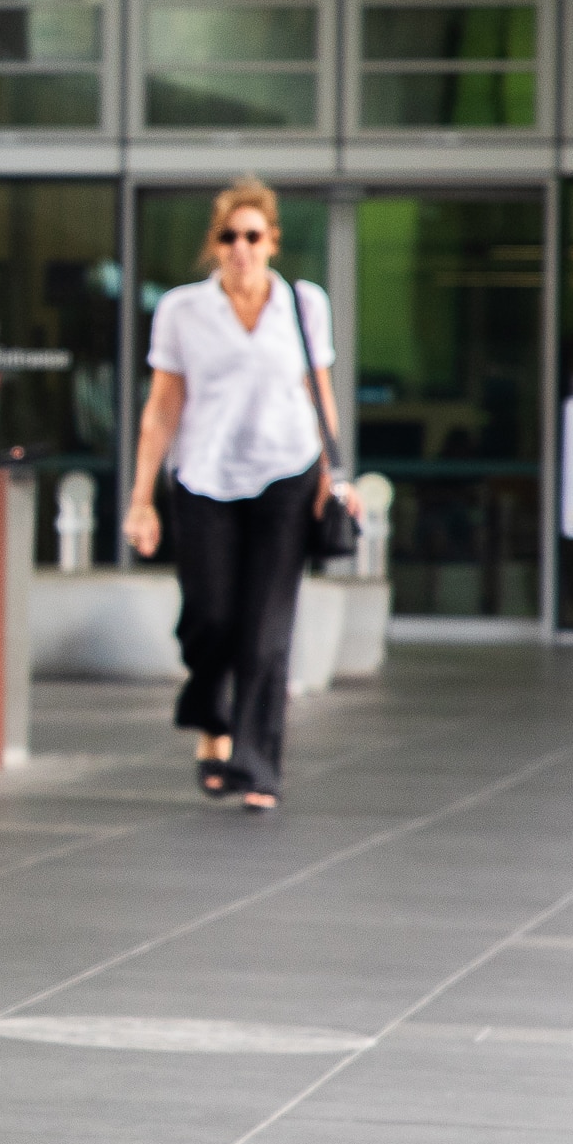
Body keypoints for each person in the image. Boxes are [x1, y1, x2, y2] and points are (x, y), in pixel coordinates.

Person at [123, 180, 353, 815]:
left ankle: (256, 766)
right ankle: (210, 717)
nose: (241, 248)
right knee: (212, 618)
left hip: (286, 474)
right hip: (204, 479)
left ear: (272, 241)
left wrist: (334, 474)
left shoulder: (303, 304)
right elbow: (161, 409)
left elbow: (318, 392)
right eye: (229, 236)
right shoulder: (182, 310)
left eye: (253, 236)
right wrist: (141, 499)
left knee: (266, 631)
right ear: (215, 244)